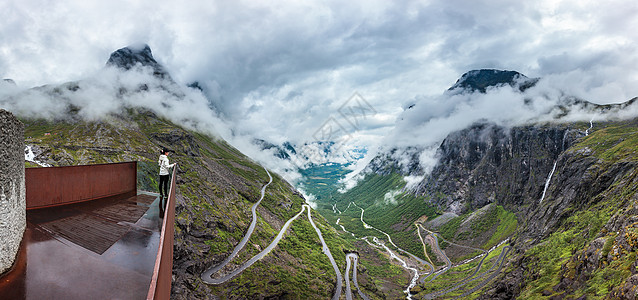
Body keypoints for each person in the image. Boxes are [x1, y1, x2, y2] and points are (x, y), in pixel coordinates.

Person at [158, 148, 175, 218]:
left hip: (161, 172)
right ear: (165, 153)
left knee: (160, 183)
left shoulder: (160, 157)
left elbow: (159, 164)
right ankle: (165, 195)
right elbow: (167, 166)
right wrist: (173, 165)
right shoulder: (166, 159)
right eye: (167, 152)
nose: (168, 153)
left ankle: (161, 194)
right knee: (165, 184)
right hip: (165, 173)